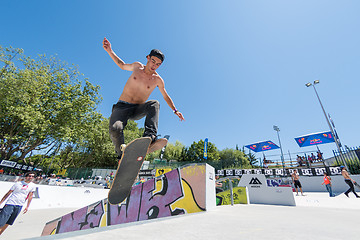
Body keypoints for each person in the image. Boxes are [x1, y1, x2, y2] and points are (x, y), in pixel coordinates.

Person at [103, 38, 185, 159]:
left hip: (137, 109)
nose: (154, 66)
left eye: (158, 64)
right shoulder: (137, 67)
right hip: (121, 107)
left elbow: (165, 96)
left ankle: (149, 139)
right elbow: (122, 65)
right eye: (153, 61)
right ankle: (122, 156)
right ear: (148, 58)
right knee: (115, 129)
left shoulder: (157, 80)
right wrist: (110, 51)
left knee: (154, 104)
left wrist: (175, 110)